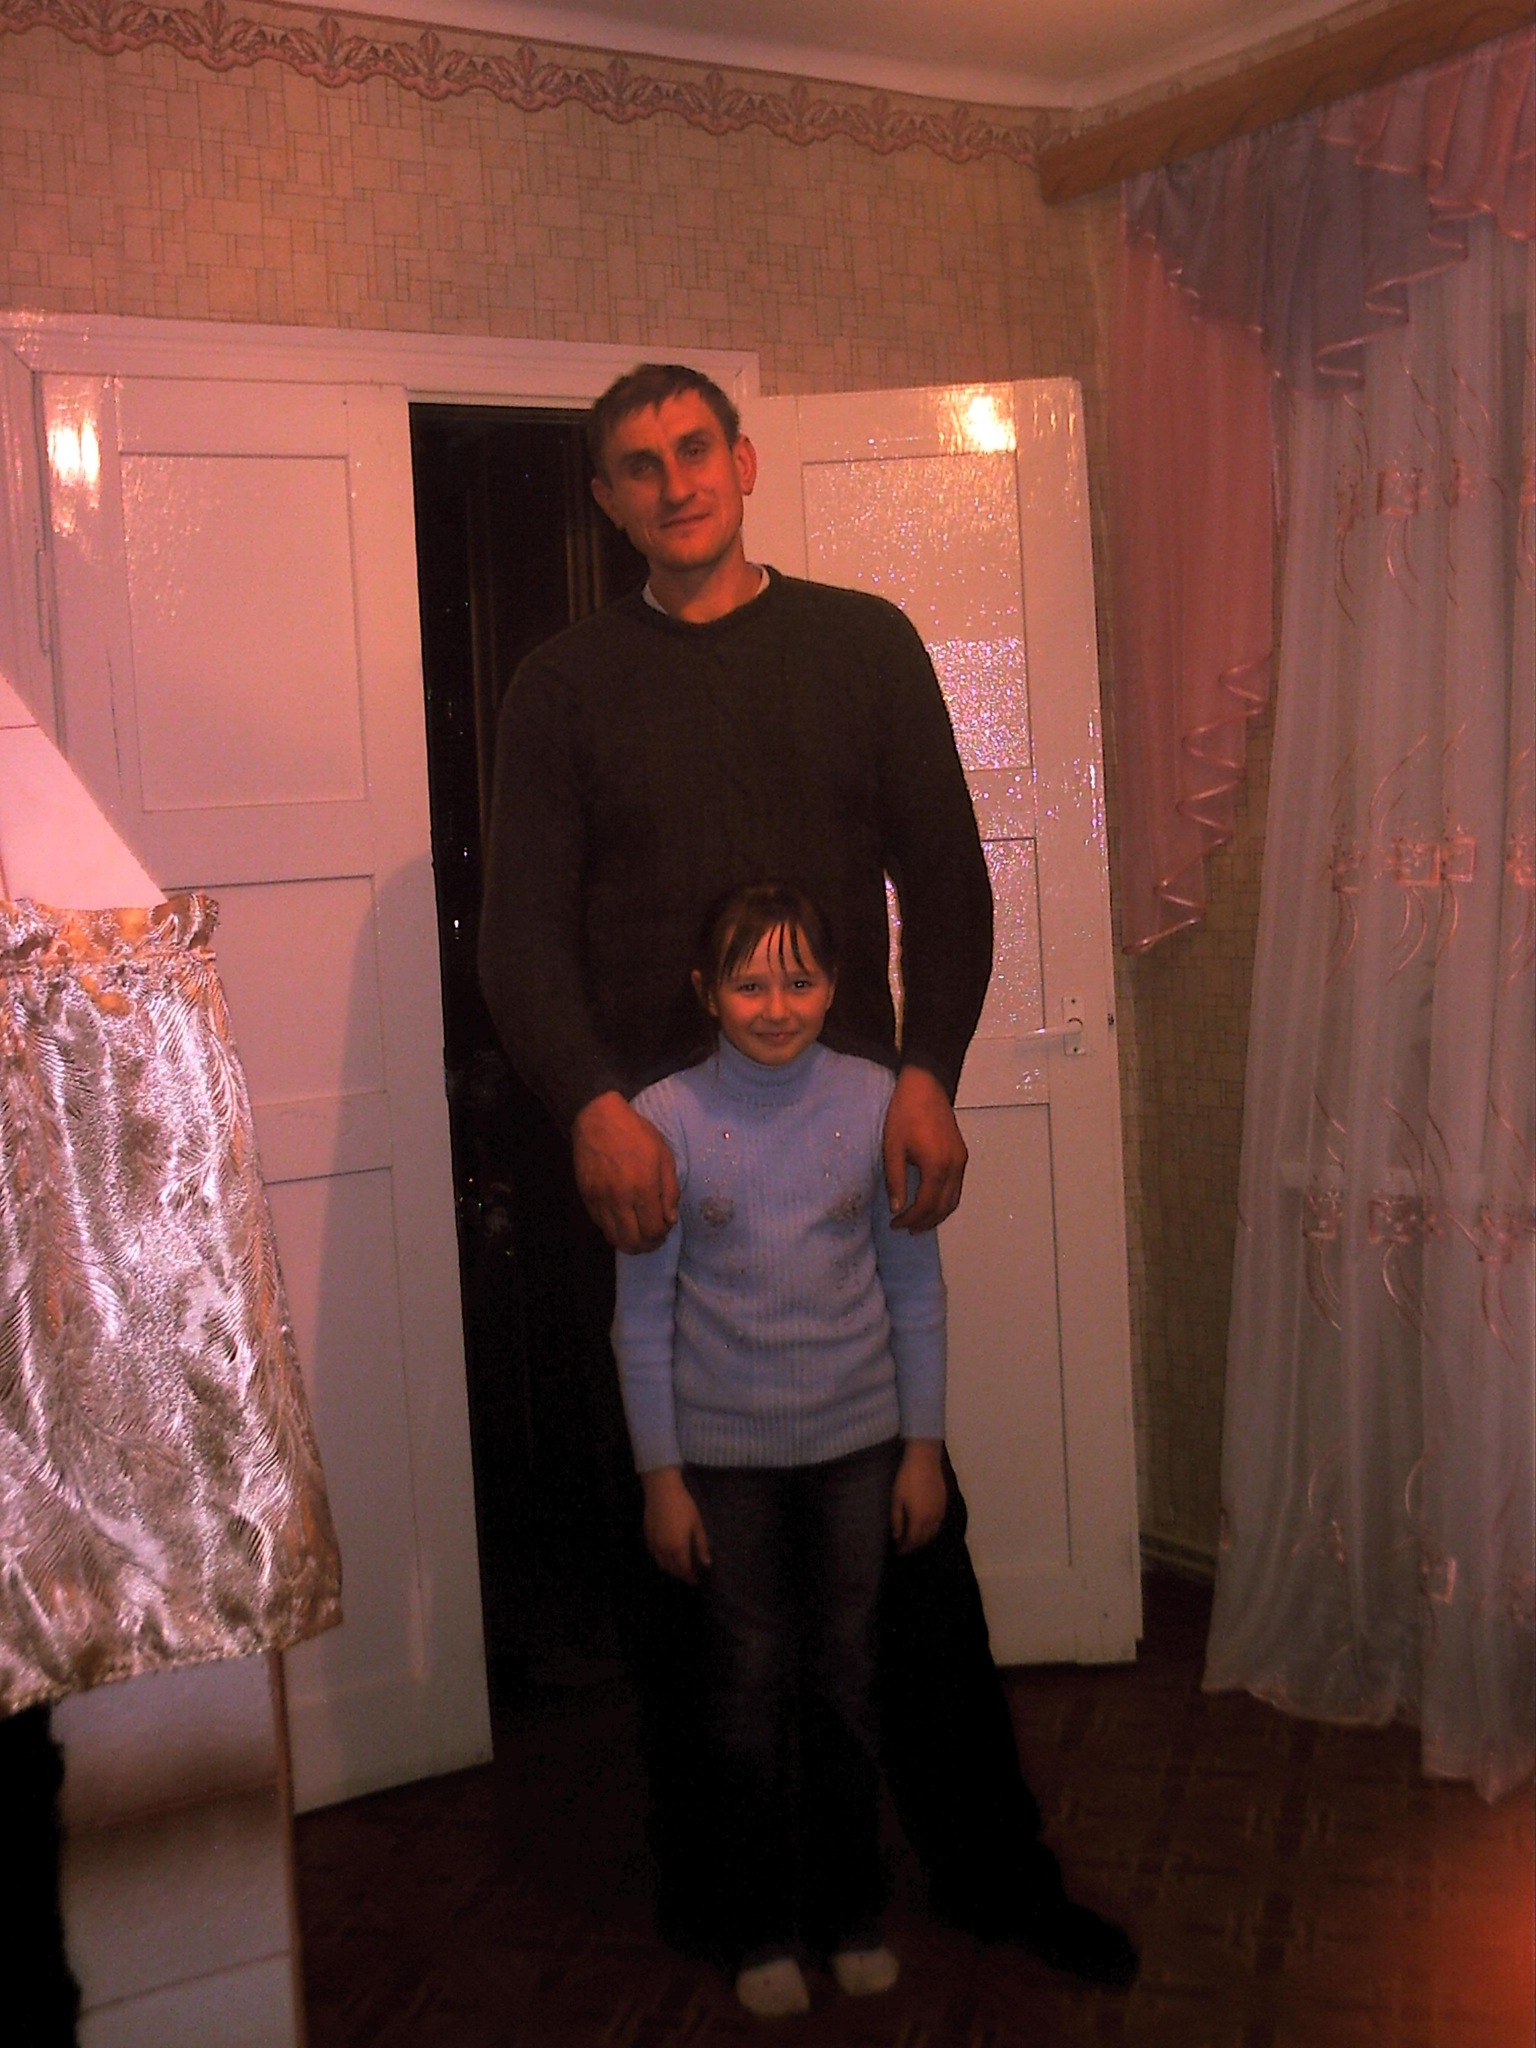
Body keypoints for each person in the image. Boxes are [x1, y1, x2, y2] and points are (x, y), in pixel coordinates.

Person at [479, 360, 1138, 1988]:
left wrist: (929, 1072)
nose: (675, 480)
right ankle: (726, 1894)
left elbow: (952, 887)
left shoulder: (863, 645)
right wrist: (590, 1105)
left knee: (906, 1536)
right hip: (657, 1180)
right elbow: (520, 936)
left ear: (745, 460)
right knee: (687, 1565)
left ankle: (992, 1870)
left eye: (695, 447)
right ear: (608, 499)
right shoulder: (562, 686)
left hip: (844, 1160)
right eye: (639, 464)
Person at [614, 882, 947, 2015]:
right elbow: (640, 1319)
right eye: (749, 982)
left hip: (860, 1451)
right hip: (722, 1469)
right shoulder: (663, 1119)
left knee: (849, 1684)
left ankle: (850, 1913)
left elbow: (916, 1289)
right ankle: (757, 1928)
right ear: (706, 991)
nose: (775, 1005)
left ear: (836, 985)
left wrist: (923, 1448)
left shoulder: (877, 1102)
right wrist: (662, 1477)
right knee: (744, 1693)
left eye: (799, 979)